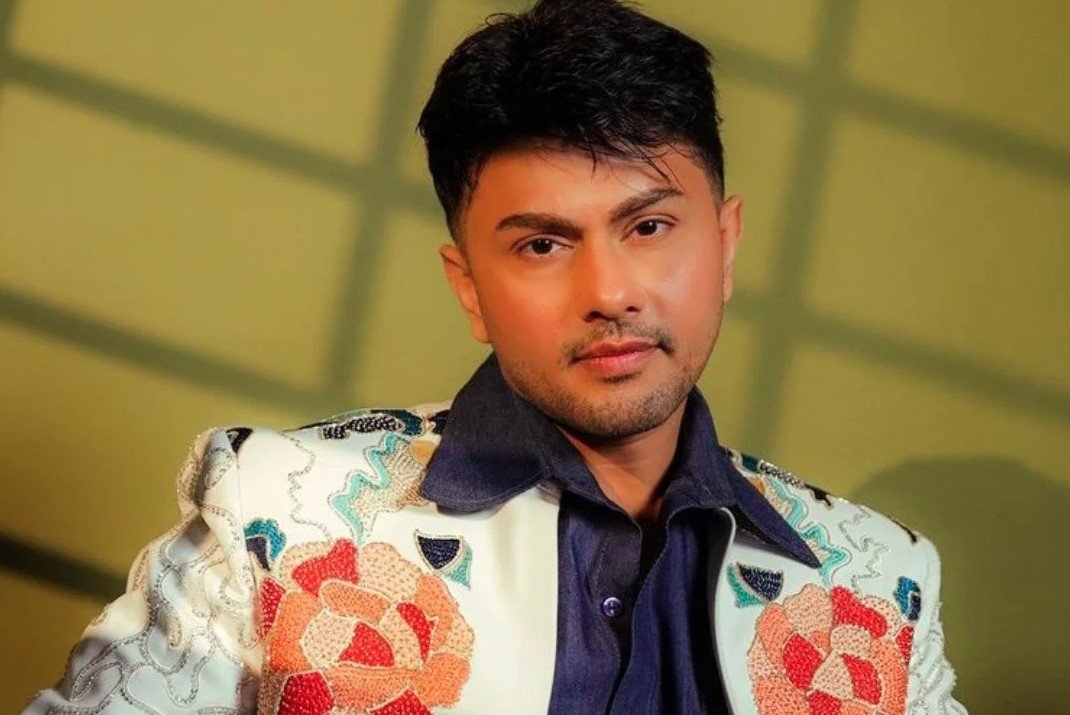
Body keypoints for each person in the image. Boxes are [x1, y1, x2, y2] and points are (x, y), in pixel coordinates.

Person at [26, 0, 967, 712]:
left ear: (724, 246)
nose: (611, 291)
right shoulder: (279, 511)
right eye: (543, 244)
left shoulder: (878, 586)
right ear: (469, 285)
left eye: (648, 226)